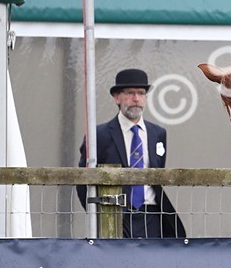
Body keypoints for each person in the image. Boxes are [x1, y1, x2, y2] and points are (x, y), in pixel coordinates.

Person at [77, 68, 186, 239]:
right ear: (117, 97)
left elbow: (157, 175)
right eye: (130, 93)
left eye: (141, 93)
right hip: (115, 214)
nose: (136, 99)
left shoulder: (158, 133)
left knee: (152, 262)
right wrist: (97, 214)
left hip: (151, 214)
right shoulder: (99, 135)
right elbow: (82, 181)